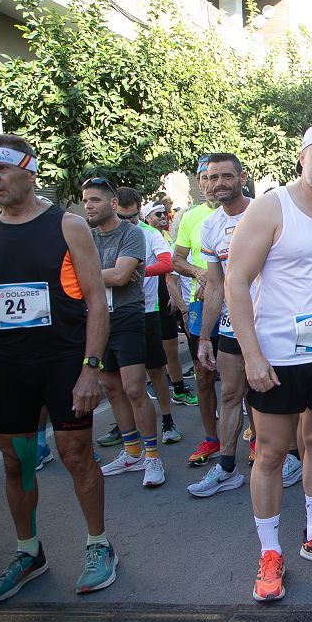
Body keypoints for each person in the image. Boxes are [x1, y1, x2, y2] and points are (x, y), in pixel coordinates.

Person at [227, 125, 312, 602]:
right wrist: (251, 355)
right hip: (275, 356)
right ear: (302, 157)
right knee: (270, 452)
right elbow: (236, 280)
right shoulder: (271, 206)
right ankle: (269, 551)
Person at [0, 134, 116, 600]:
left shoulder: (66, 225)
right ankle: (29, 552)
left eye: (2, 170)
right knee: (15, 461)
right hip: (6, 366)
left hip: (62, 363)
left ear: (29, 170)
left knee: (75, 455)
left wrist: (90, 368)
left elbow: (95, 302)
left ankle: (99, 544)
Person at [84, 179, 163, 488]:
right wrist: (109, 275)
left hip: (129, 317)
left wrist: (93, 276)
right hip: (96, 318)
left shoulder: (132, 234)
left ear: (112, 203)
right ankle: (131, 452)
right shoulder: (86, 237)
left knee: (133, 388)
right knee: (112, 389)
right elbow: (101, 276)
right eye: (85, 200)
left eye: (95, 200)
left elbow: (119, 276)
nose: (89, 206)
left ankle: (153, 457)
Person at [187, 153, 254, 498]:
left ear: (241, 177)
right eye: (212, 178)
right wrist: (203, 339)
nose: (219, 184)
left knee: (273, 395)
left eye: (226, 176)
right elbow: (215, 285)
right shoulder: (210, 226)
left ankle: (289, 457)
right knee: (230, 393)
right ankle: (227, 467)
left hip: (270, 322)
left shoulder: (264, 212)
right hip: (231, 324)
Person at [115, 188, 181, 446]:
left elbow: (167, 263)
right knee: (121, 378)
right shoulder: (105, 235)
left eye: (132, 217)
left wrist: (137, 270)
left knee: (155, 369)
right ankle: (125, 427)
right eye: (123, 217)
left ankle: (167, 420)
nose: (128, 223)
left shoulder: (150, 234)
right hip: (117, 313)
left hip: (146, 310)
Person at [172, 157, 221, 466]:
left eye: (215, 176)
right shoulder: (191, 217)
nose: (210, 183)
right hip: (200, 305)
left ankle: (256, 436)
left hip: (239, 303)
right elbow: (176, 259)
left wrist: (220, 281)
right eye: (204, 177)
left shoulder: (253, 210)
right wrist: (199, 274)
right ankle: (211, 439)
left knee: (240, 376)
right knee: (203, 376)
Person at [142, 201, 196, 406]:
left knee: (171, 347)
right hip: (153, 297)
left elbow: (169, 269)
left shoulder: (166, 237)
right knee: (156, 350)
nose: (163, 217)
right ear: (147, 217)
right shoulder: (144, 233)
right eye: (157, 214)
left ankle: (179, 388)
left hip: (165, 297)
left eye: (164, 213)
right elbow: (167, 269)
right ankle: (157, 384)